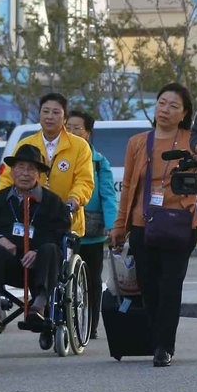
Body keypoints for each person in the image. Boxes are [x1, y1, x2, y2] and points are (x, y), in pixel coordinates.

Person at [110, 83, 197, 366]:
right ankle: (155, 335)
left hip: (181, 222)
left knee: (171, 285)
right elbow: (127, 188)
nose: (165, 109)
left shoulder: (192, 141)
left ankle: (164, 346)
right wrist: (119, 225)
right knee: (148, 286)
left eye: (174, 105)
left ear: (185, 113)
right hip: (142, 223)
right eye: (162, 102)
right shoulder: (138, 142)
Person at [0, 144, 71, 333]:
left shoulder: (52, 202)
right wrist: (0, 238)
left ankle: (39, 308)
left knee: (50, 249)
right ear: (12, 171)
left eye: (31, 169)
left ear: (39, 174)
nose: (25, 173)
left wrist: (37, 250)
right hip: (9, 265)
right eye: (21, 167)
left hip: (41, 266)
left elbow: (61, 229)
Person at [0, 93, 94, 237]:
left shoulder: (79, 146)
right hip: (29, 220)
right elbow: (8, 178)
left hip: (65, 221)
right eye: (45, 111)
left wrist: (75, 198)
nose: (50, 116)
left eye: (56, 112)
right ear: (39, 114)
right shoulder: (25, 144)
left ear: (65, 118)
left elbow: (84, 181)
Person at [67, 110, 117, 339]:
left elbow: (108, 195)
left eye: (78, 128)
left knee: (93, 281)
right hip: (65, 229)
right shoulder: (60, 158)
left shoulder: (99, 162)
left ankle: (91, 325)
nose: (72, 131)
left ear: (88, 132)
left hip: (92, 231)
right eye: (69, 127)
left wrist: (112, 225)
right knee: (61, 277)